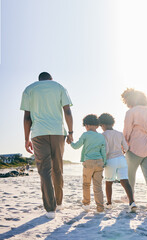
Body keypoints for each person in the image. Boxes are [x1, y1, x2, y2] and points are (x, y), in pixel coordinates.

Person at [20, 72, 73, 219]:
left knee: (44, 170)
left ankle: (50, 209)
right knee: (58, 168)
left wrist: (26, 139)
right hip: (57, 131)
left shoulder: (29, 89)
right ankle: (60, 202)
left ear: (39, 80)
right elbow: (67, 111)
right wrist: (71, 132)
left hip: (38, 133)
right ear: (50, 79)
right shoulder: (59, 87)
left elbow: (26, 117)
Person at [122, 88, 147, 208]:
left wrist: (124, 145)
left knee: (130, 174)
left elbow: (127, 131)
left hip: (135, 146)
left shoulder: (131, 112)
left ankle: (131, 198)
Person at [99, 113, 137, 212]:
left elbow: (106, 150)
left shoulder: (103, 135)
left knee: (109, 182)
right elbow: (126, 148)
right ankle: (132, 202)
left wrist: (103, 161)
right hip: (121, 159)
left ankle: (109, 203)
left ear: (102, 124)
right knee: (125, 181)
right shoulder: (119, 133)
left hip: (110, 160)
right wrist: (122, 151)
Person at [67, 114, 106, 213]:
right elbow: (103, 152)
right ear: (97, 126)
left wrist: (70, 142)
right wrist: (104, 163)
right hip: (99, 162)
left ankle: (86, 204)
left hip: (88, 162)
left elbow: (76, 146)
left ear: (86, 125)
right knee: (98, 186)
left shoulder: (85, 135)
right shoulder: (101, 137)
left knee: (86, 184)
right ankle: (100, 207)